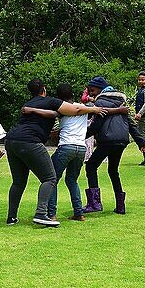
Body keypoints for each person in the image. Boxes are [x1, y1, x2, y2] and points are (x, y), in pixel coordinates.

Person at [4, 79, 109, 227]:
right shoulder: (51, 101)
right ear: (44, 90)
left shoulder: (28, 104)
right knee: (50, 178)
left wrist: (34, 111)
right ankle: (41, 214)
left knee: (19, 181)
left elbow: (53, 114)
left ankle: (11, 217)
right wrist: (94, 109)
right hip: (31, 141)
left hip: (11, 140)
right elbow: (75, 110)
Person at [83, 77, 145, 215]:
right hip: (122, 140)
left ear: (99, 88)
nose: (91, 94)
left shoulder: (100, 101)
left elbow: (97, 125)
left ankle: (94, 203)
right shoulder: (121, 102)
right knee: (113, 170)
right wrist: (142, 142)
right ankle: (120, 206)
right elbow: (131, 124)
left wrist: (81, 136)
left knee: (91, 166)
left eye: (92, 90)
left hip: (107, 140)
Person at [38, 84, 96, 221]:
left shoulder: (61, 108)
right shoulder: (83, 107)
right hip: (81, 148)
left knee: (52, 179)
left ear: (59, 96)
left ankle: (51, 214)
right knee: (72, 180)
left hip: (66, 146)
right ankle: (78, 212)